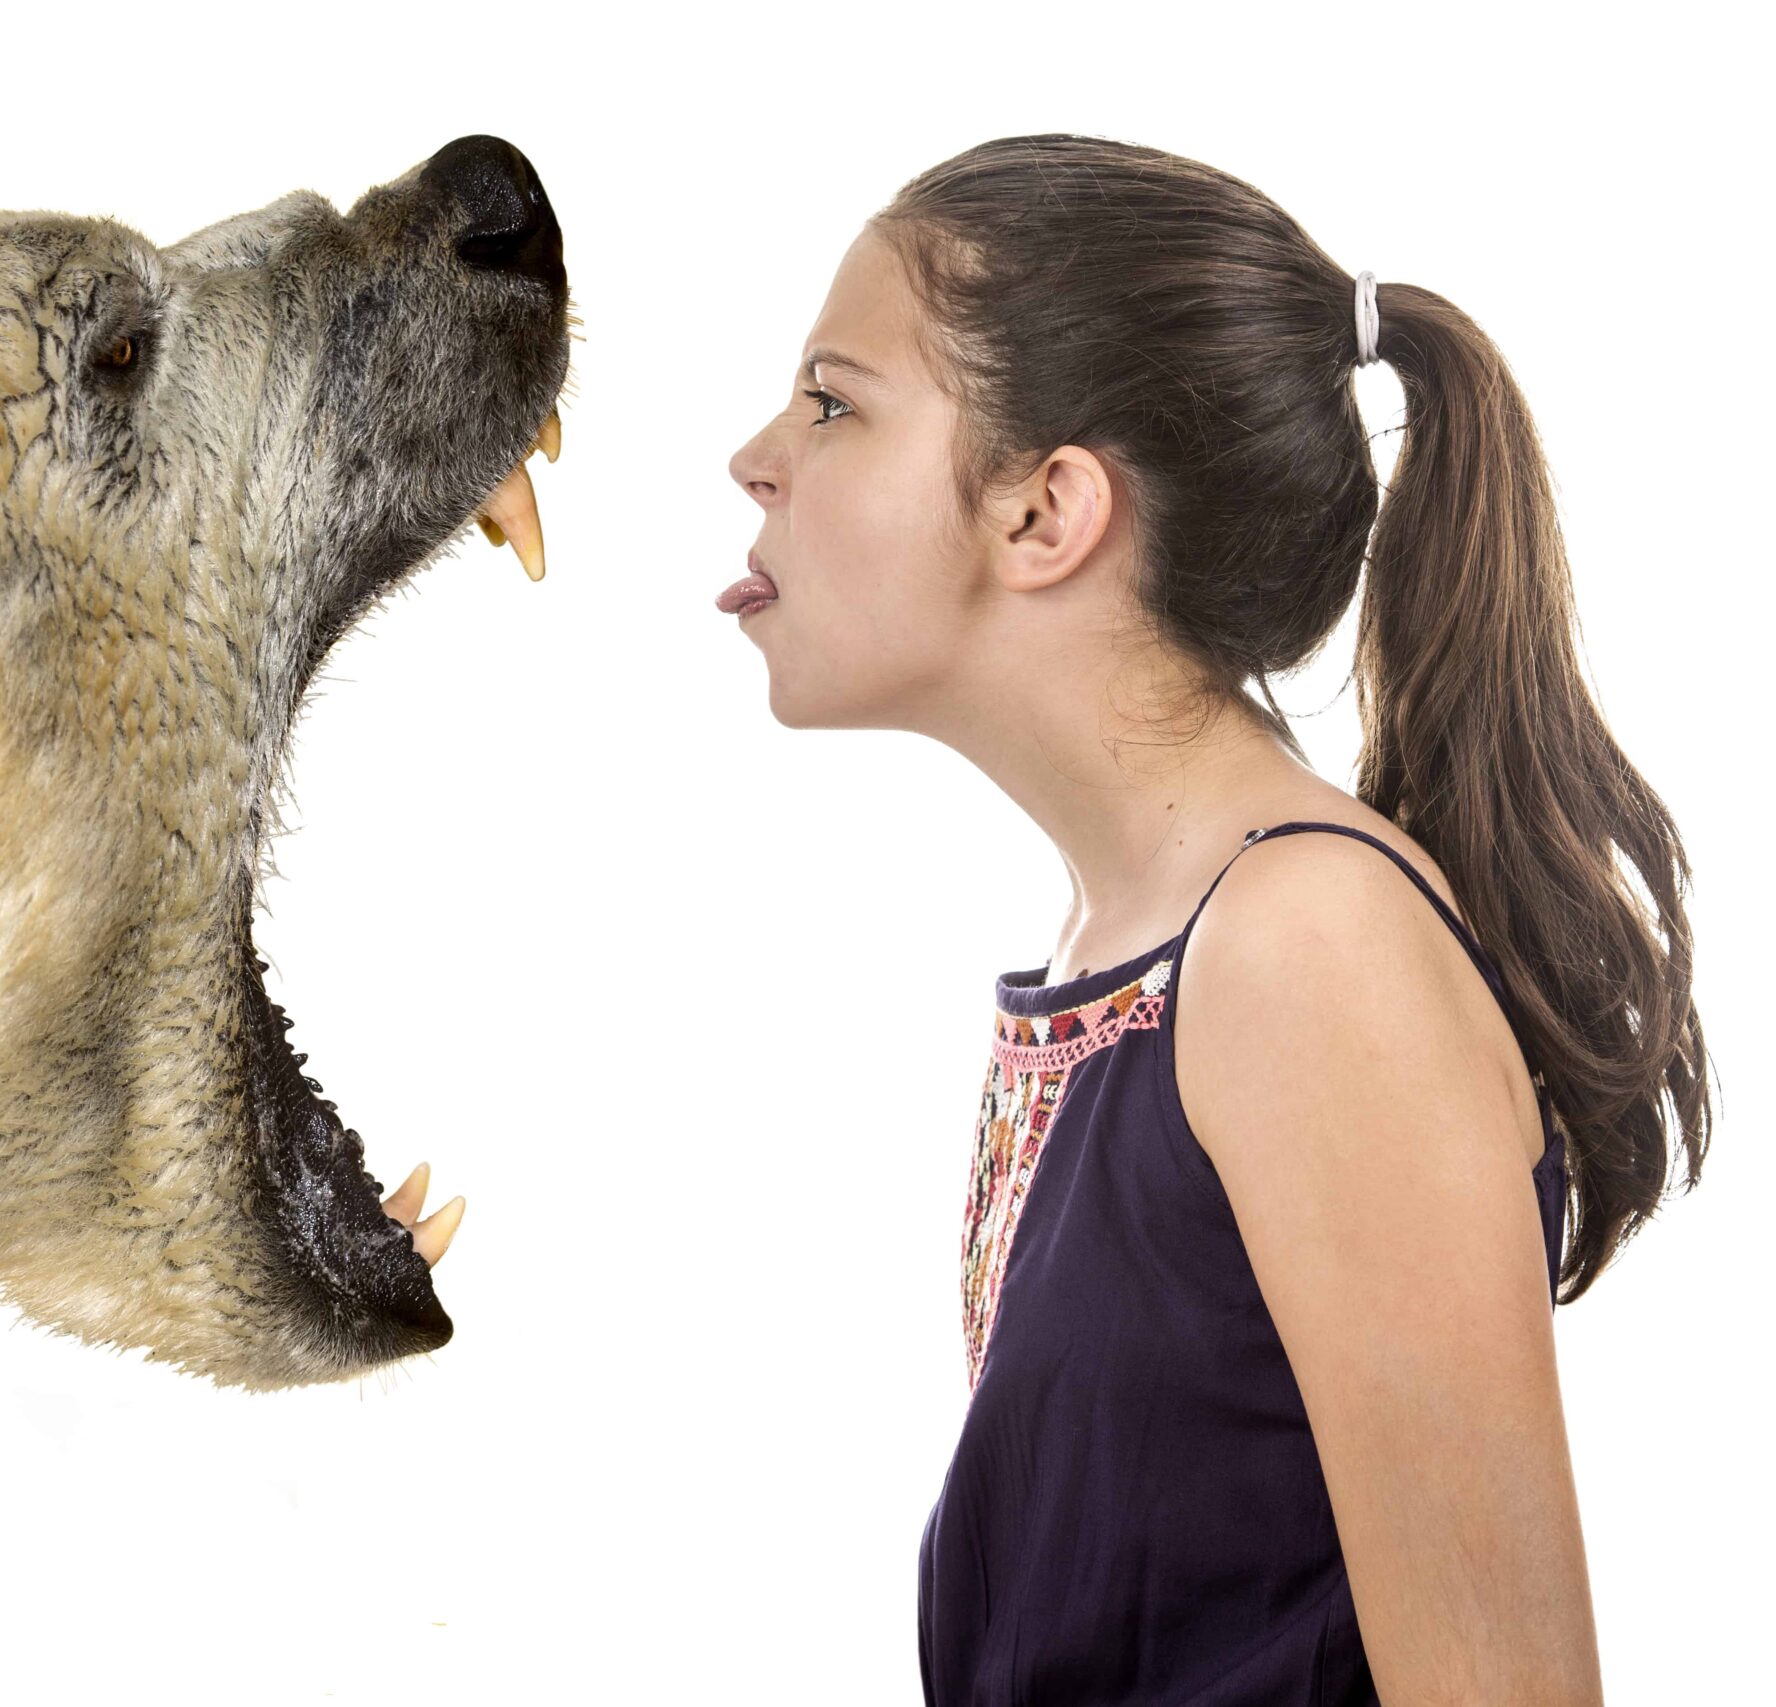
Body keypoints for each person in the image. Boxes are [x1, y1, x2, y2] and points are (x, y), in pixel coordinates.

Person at [720, 134, 1715, 1704]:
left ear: (1047, 512)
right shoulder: (1130, 932)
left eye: (834, 402)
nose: (757, 458)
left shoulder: (1309, 950)